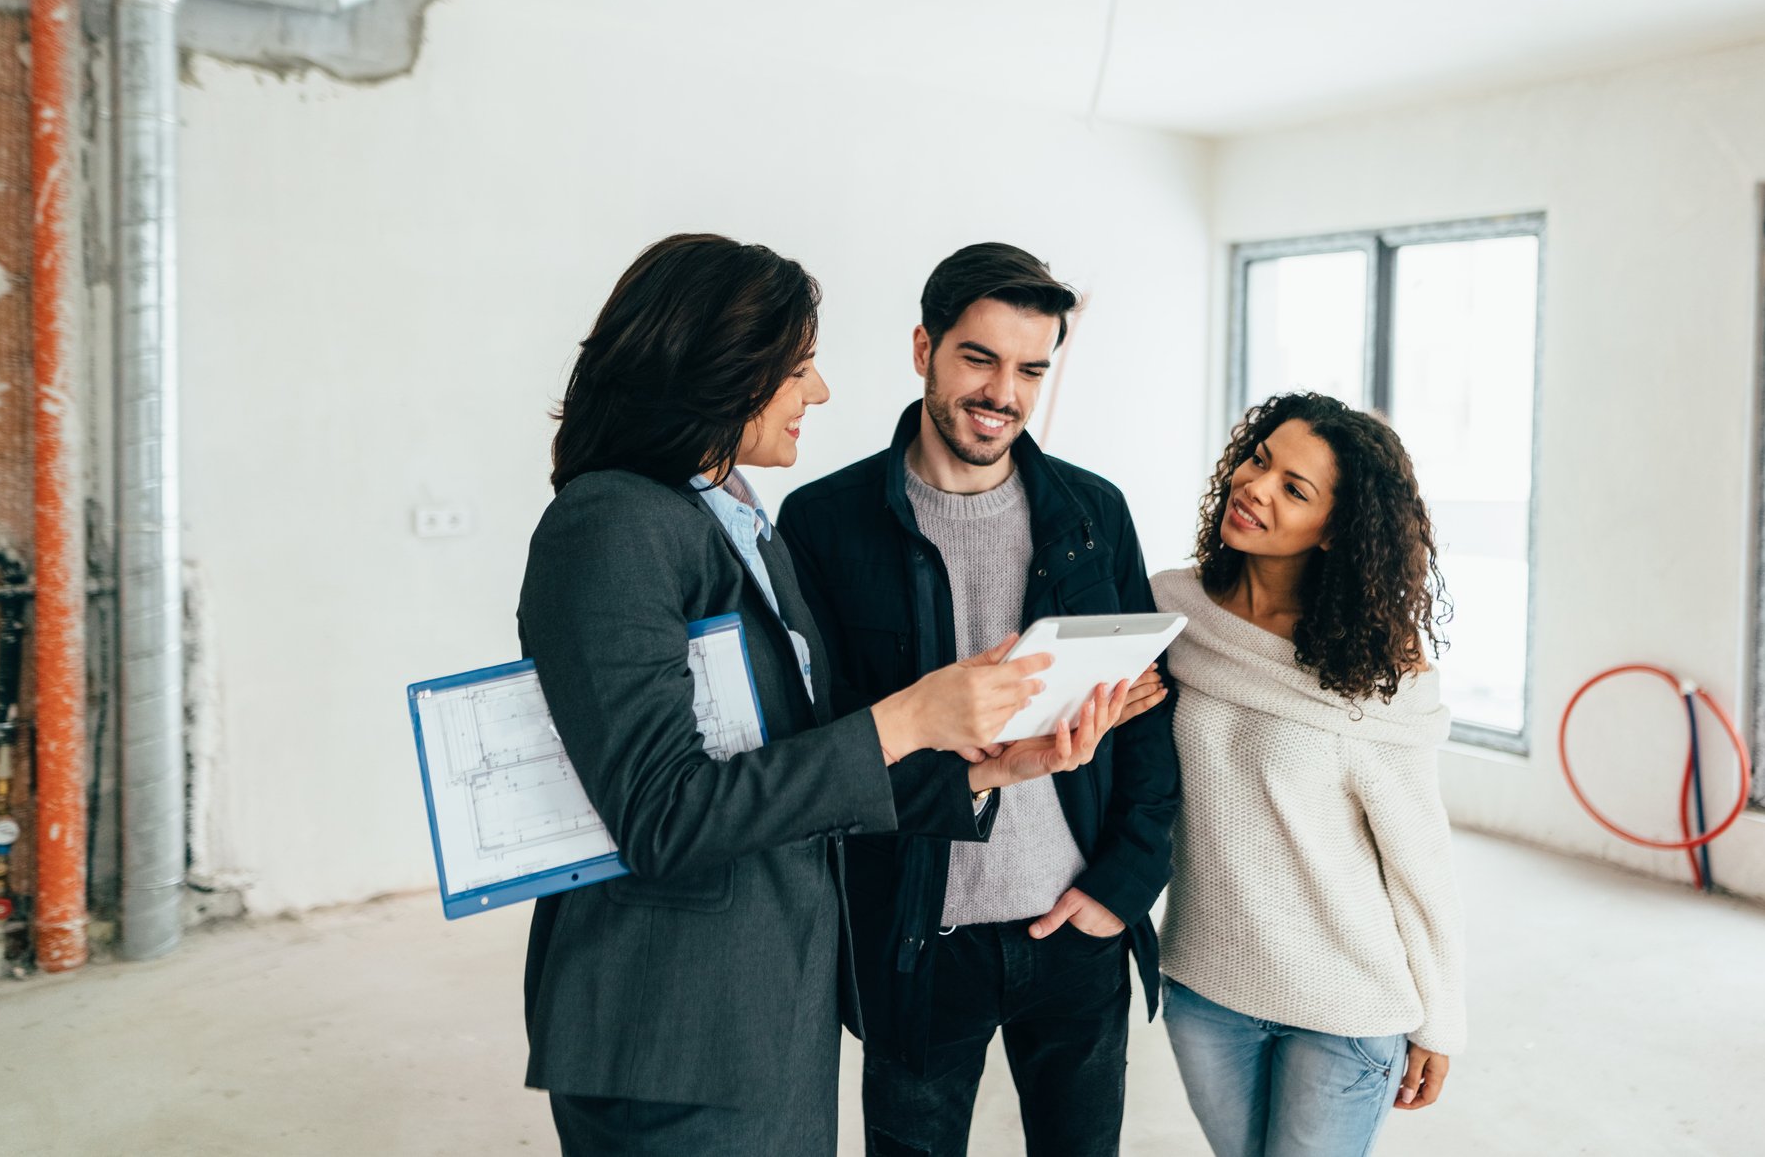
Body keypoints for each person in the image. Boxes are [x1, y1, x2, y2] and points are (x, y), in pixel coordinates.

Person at [515, 233, 1073, 1157]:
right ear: (720, 371)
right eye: (799, 369)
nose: (817, 393)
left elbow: (795, 765)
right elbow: (664, 815)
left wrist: (990, 771)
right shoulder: (610, 525)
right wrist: (906, 716)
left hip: (770, 994)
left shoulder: (730, 514)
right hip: (675, 1025)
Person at [779, 242, 1179, 1157]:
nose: (1005, 391)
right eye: (979, 358)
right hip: (921, 939)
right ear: (924, 347)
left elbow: (1150, 718)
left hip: (1075, 929)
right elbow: (824, 742)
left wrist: (1121, 889)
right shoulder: (824, 524)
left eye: (1032, 369)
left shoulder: (1093, 514)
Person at [1153, 391, 1466, 1157]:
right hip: (1204, 984)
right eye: (1259, 460)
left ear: (1335, 532)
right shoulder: (1167, 610)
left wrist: (1441, 1017)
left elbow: (1419, 860)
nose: (1255, 487)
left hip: (1345, 1001)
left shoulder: (1377, 672)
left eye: (1294, 489)